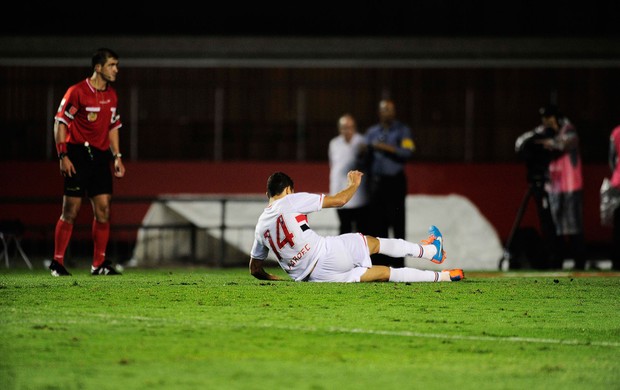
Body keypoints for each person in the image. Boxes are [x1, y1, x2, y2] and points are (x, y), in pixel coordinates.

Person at [249, 170, 463, 283]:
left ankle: (443, 277)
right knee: (374, 244)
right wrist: (353, 185)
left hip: (314, 278)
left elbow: (255, 269)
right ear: (288, 189)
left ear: (268, 194)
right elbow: (339, 201)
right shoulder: (290, 200)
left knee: (383, 274)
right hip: (326, 253)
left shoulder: (260, 227)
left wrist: (271, 278)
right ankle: (431, 251)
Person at [48, 48, 125, 277]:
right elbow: (60, 123)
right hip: (77, 154)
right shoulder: (77, 92)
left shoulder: (112, 95)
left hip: (100, 157)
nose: (116, 70)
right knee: (70, 210)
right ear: (98, 67)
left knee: (103, 209)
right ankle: (57, 263)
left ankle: (98, 264)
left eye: (116, 65)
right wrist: (63, 155)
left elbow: (112, 127)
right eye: (112, 65)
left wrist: (117, 156)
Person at [360, 99, 415, 267]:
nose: (387, 113)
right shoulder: (371, 132)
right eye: (384, 110)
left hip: (395, 182)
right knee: (377, 224)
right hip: (376, 183)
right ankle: (379, 264)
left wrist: (387, 147)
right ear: (379, 112)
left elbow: (408, 151)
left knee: (397, 223)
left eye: (390, 110)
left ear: (394, 112)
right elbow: (363, 156)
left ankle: (399, 265)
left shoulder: (402, 131)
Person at [537, 104, 587, 270]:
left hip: (571, 185)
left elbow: (561, 145)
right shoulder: (547, 130)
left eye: (549, 118)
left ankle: (579, 262)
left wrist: (546, 142)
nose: (547, 122)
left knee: (573, 226)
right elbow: (535, 143)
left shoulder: (568, 129)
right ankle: (557, 261)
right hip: (554, 187)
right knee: (556, 227)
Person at [328, 113, 369, 234]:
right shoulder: (334, 143)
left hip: (359, 194)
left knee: (361, 229)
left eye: (350, 127)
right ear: (339, 129)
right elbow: (333, 165)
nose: (347, 130)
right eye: (344, 127)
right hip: (340, 192)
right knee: (344, 227)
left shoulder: (362, 142)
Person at [608, 125, 620, 270]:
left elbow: (611, 159)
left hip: (618, 182)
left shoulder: (616, 131)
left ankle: (616, 261)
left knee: (618, 224)